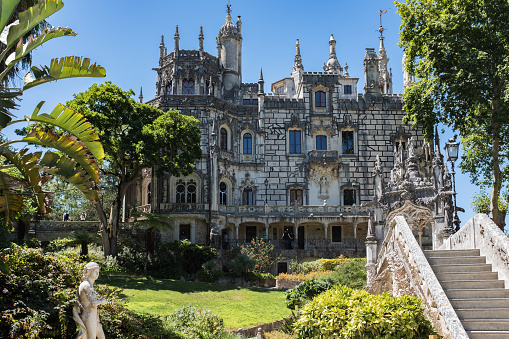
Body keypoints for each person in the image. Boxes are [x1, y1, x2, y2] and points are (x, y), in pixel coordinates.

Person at [73, 262, 107, 339]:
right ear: (89, 272)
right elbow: (93, 303)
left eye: (98, 272)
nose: (97, 274)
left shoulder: (89, 284)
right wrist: (102, 302)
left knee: (101, 336)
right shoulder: (86, 285)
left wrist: (100, 298)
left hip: (94, 315)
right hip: (89, 315)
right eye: (95, 272)